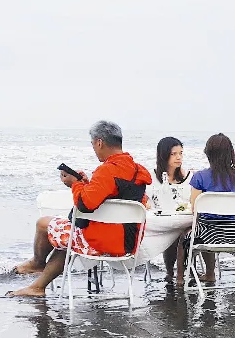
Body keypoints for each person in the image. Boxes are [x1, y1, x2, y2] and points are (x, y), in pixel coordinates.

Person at [10, 121, 153, 297]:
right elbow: (113, 196)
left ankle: (38, 264)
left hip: (100, 242)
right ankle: (37, 286)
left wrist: (74, 184)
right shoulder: (138, 171)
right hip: (129, 243)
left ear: (99, 142)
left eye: (93, 144)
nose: (93, 148)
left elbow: (84, 205)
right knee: (68, 237)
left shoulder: (108, 170)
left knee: (43, 224)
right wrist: (87, 184)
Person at [181, 134, 235, 285]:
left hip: (208, 235)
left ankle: (186, 276)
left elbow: (195, 209)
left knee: (185, 235)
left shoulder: (200, 177)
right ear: (230, 154)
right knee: (204, 228)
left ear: (208, 153)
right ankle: (212, 273)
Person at [149, 136, 192, 278]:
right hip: (162, 220)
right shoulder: (152, 177)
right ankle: (170, 272)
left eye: (181, 153)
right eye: (174, 154)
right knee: (174, 232)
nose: (179, 157)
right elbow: (148, 201)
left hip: (184, 219)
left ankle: (184, 272)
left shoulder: (189, 177)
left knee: (186, 231)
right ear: (164, 155)